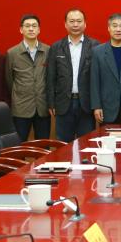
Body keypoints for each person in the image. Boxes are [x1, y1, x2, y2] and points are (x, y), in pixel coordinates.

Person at [46, 9, 100, 142]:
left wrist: (98, 104)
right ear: (65, 24)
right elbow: (51, 77)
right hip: (63, 104)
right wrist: (51, 102)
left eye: (79, 21)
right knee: (63, 144)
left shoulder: (95, 46)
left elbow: (99, 78)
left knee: (87, 144)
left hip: (86, 104)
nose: (75, 24)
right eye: (72, 21)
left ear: (85, 24)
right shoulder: (56, 47)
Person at [5, 14, 50, 141]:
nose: (31, 29)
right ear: (21, 29)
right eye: (27, 26)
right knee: (19, 145)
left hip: (42, 107)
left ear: (39, 30)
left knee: (43, 144)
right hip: (21, 108)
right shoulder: (12, 53)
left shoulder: (47, 50)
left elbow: (50, 78)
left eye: (34, 26)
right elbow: (9, 80)